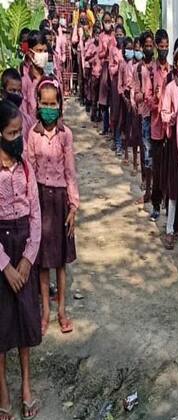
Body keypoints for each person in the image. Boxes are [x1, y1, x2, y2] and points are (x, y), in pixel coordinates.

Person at [0, 100, 42, 420]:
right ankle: (3, 391)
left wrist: (27, 259)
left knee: (26, 320)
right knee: (2, 325)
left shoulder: (26, 167)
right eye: (12, 134)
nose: (17, 139)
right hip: (2, 254)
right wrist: (5, 266)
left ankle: (26, 385)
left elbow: (36, 215)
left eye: (19, 133)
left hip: (24, 244)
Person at [27, 77, 79, 336]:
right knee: (43, 261)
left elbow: (70, 172)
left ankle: (61, 310)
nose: (49, 108)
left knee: (60, 260)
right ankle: (45, 311)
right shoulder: (32, 135)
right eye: (44, 103)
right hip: (39, 199)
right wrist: (30, 207)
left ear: (59, 104)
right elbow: (29, 170)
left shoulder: (65, 135)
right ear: (38, 104)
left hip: (60, 200)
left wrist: (73, 206)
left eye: (53, 103)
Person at [160, 45, 178, 249]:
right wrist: (175, 116)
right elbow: (164, 114)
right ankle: (169, 229)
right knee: (173, 188)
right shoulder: (171, 88)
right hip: (174, 144)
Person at [148, 29, 170, 222]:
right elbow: (147, 99)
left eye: (166, 46)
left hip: (169, 127)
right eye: (161, 46)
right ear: (156, 46)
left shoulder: (172, 71)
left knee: (169, 169)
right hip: (156, 126)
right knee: (157, 168)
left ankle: (168, 205)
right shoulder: (150, 71)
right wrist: (156, 100)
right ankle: (156, 204)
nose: (164, 49)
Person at [132, 30, 155, 203]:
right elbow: (136, 94)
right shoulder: (138, 69)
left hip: (159, 116)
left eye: (150, 45)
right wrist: (147, 96)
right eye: (146, 45)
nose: (148, 48)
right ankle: (148, 189)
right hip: (146, 114)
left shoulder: (158, 67)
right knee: (147, 153)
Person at [124, 37, 143, 173]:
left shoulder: (147, 66)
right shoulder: (131, 66)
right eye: (136, 50)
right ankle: (135, 162)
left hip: (145, 105)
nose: (138, 52)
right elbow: (131, 85)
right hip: (134, 102)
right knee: (134, 134)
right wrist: (132, 102)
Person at [1, 69, 35, 142]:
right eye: (13, 90)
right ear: (3, 93)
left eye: (19, 91)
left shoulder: (27, 120)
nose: (16, 94)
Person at [22, 31, 48, 118]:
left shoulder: (49, 77)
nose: (43, 54)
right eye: (39, 51)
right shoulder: (24, 79)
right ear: (30, 53)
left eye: (45, 51)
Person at [97, 12, 116, 136]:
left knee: (114, 99)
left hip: (115, 67)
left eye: (109, 21)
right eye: (106, 21)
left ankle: (113, 128)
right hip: (105, 66)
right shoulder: (101, 36)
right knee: (104, 99)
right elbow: (99, 54)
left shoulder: (115, 35)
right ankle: (105, 126)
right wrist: (106, 50)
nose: (108, 23)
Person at [109, 24, 125, 154]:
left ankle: (124, 140)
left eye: (121, 35)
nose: (119, 37)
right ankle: (116, 139)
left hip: (126, 84)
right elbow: (111, 68)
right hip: (115, 83)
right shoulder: (113, 50)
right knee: (116, 113)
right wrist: (118, 67)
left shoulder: (127, 48)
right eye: (117, 35)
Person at [84, 23, 102, 123]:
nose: (97, 35)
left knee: (101, 96)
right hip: (94, 74)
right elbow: (86, 57)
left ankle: (100, 115)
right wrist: (93, 58)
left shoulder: (103, 45)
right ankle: (93, 114)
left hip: (102, 74)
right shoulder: (91, 45)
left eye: (99, 33)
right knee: (94, 96)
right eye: (96, 33)